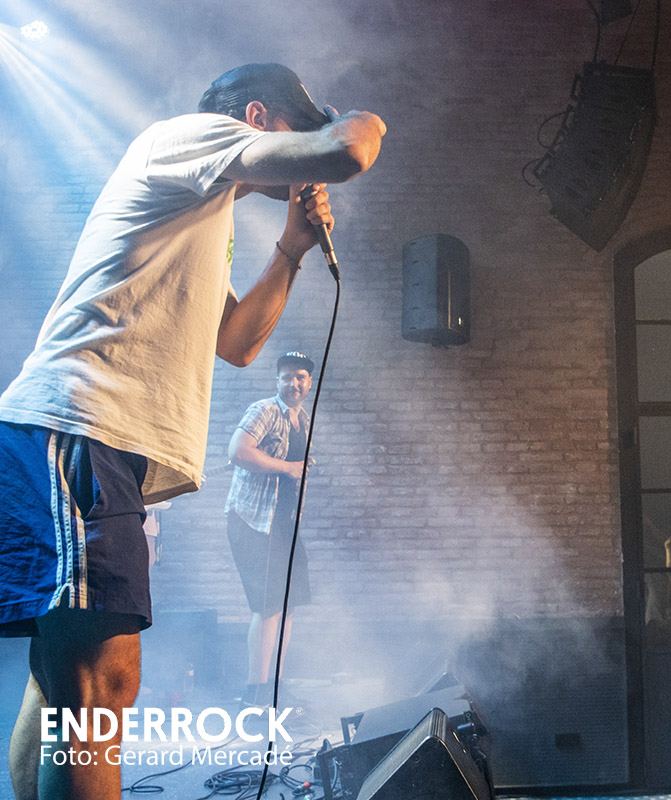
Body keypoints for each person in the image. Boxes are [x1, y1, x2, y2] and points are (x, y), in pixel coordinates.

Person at [0, 63, 385, 799]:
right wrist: (351, 120)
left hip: (84, 440)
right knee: (103, 683)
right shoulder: (192, 137)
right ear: (256, 118)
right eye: (295, 130)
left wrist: (291, 250)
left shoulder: (205, 217)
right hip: (76, 425)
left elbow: (237, 342)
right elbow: (349, 150)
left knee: (62, 688)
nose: (297, 159)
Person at [226, 351, 318, 709]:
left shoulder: (303, 420)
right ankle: (255, 694)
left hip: (284, 525)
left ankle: (275, 687)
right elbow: (238, 451)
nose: (293, 383)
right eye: (287, 377)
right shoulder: (263, 410)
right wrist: (287, 467)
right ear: (277, 380)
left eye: (300, 377)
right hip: (253, 522)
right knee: (268, 608)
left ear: (309, 382)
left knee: (288, 604)